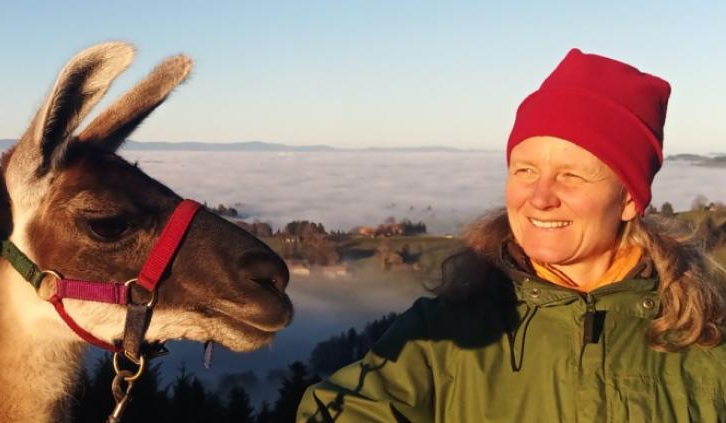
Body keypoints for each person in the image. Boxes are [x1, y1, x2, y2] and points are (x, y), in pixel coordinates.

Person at [296, 49, 726, 422]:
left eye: (571, 175)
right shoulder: (443, 336)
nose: (539, 197)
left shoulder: (705, 338)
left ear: (630, 200)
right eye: (525, 170)